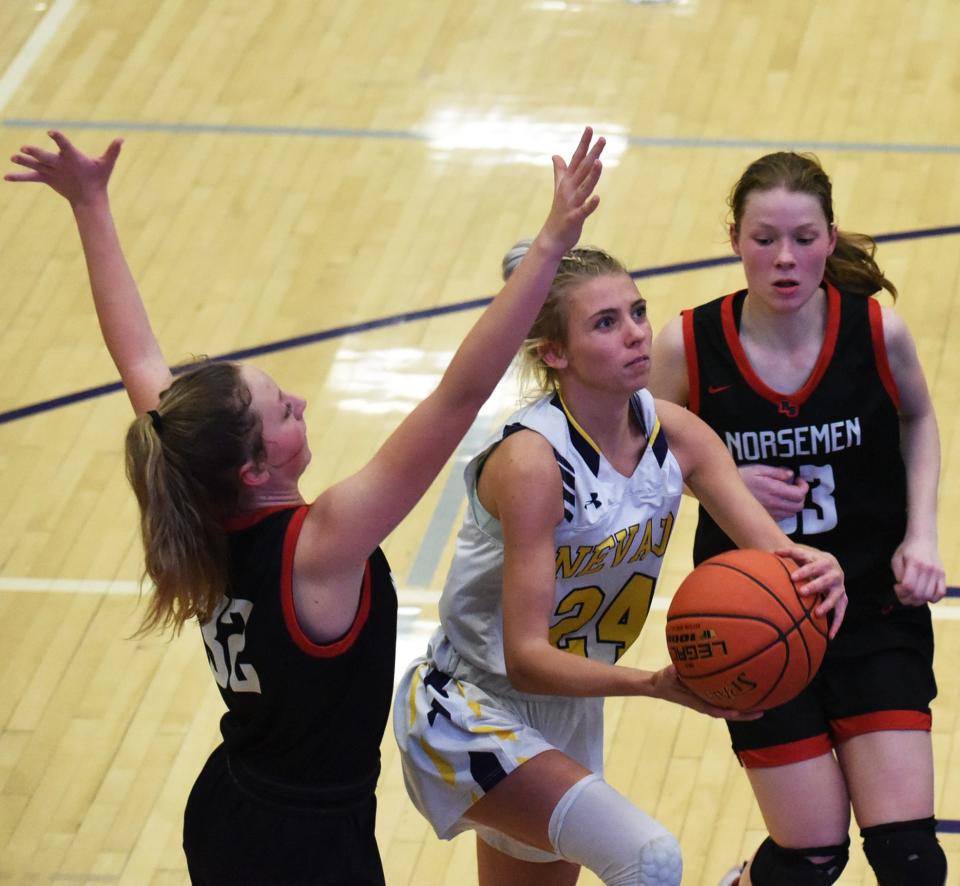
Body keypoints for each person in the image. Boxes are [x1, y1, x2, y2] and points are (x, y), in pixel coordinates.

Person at [5, 126, 609, 885]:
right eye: (281, 413)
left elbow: (138, 359)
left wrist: (91, 204)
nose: (299, 401)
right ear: (255, 468)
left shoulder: (194, 477)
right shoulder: (318, 544)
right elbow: (458, 397)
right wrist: (550, 246)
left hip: (235, 806)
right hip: (303, 846)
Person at [392, 235, 848, 886]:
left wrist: (818, 572)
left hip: (568, 709)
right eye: (606, 323)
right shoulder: (533, 465)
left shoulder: (680, 435)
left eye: (637, 311)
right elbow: (524, 657)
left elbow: (778, 559)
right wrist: (653, 685)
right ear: (554, 352)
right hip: (470, 708)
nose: (637, 334)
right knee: (649, 859)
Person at [649, 151, 947, 886]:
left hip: (872, 609)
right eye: (763, 239)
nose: (785, 259)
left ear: (831, 238)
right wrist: (718, 478)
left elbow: (920, 419)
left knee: (912, 862)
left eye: (805, 238)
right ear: (733, 239)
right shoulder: (686, 345)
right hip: (752, 619)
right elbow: (643, 459)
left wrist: (923, 533)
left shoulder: (879, 332)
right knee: (813, 859)